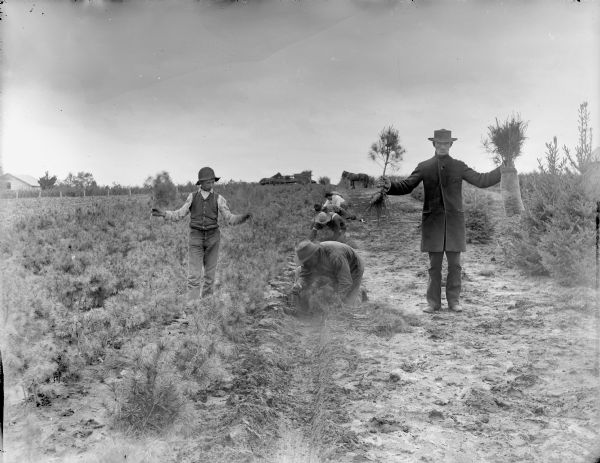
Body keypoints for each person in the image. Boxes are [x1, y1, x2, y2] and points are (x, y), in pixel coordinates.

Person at [377, 129, 501, 314]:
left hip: (454, 225)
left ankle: (454, 302)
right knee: (434, 266)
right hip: (433, 224)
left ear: (451, 145)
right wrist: (390, 186)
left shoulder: (459, 166)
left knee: (455, 266)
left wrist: (503, 168)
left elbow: (482, 180)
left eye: (446, 143)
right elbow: (407, 185)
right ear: (434, 144)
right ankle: (433, 303)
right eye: (439, 143)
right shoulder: (424, 166)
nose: (442, 146)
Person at [152, 167, 252, 305]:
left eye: (212, 181)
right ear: (201, 183)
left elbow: (230, 218)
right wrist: (164, 214)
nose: (211, 184)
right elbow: (179, 214)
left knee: (210, 277)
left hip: (213, 239)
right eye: (207, 181)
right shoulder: (192, 197)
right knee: (194, 276)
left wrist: (243, 217)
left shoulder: (219, 199)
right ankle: (192, 308)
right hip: (196, 238)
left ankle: (206, 306)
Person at [292, 240, 364, 309]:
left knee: (347, 303)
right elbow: (304, 276)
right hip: (332, 266)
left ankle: (360, 294)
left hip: (353, 266)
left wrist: (336, 302)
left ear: (316, 254)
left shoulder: (335, 256)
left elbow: (346, 282)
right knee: (299, 270)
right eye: (305, 262)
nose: (306, 264)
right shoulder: (309, 260)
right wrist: (299, 284)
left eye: (308, 261)